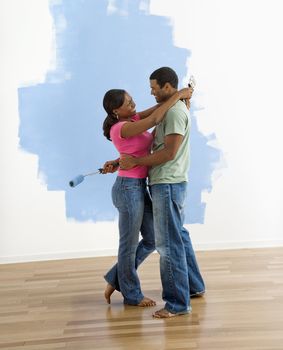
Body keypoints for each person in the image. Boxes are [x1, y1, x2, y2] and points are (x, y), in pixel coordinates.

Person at [119, 67, 205, 318]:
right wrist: (179, 95)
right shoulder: (171, 109)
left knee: (169, 245)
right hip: (169, 182)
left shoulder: (175, 114)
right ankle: (194, 287)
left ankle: (177, 304)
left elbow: (169, 153)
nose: (151, 91)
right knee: (179, 235)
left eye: (154, 88)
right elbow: (148, 117)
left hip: (167, 183)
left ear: (168, 87)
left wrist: (135, 163)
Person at [102, 86, 193, 307]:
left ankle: (116, 277)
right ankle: (131, 295)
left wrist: (179, 102)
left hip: (138, 186)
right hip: (127, 189)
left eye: (132, 99)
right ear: (116, 110)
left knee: (152, 238)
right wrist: (179, 94)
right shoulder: (121, 127)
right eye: (128, 102)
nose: (133, 104)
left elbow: (156, 108)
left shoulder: (131, 119)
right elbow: (155, 117)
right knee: (129, 244)